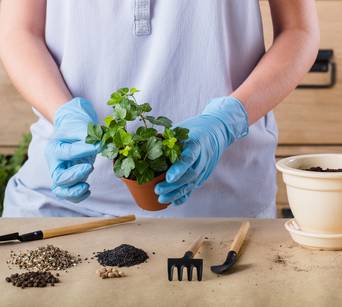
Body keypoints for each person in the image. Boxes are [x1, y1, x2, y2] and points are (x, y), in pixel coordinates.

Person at [0, 0, 319, 217]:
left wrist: (226, 121)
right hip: (62, 203)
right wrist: (63, 114)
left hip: (224, 206)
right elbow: (20, 31)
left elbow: (298, 31)